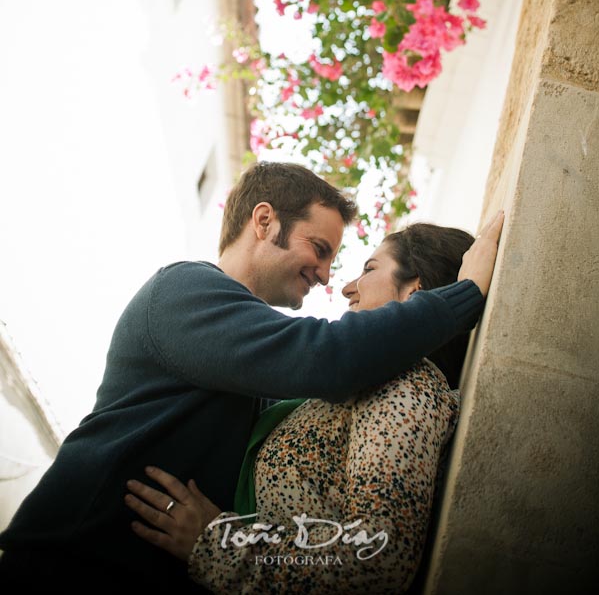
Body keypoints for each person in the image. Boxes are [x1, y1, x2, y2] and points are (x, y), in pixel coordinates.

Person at [0, 163, 498, 591]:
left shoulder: (265, 370)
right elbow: (326, 356)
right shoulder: (184, 292)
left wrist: (218, 544)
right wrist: (465, 294)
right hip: (66, 565)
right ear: (264, 221)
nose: (329, 276)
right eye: (319, 248)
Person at [123, 223, 491, 594]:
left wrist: (217, 545)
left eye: (369, 269)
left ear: (416, 289)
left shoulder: (407, 386)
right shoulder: (367, 390)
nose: (347, 287)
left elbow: (377, 561)